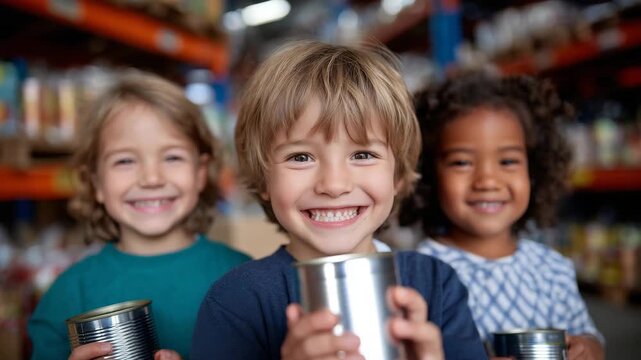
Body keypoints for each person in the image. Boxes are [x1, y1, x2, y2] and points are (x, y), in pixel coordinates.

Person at [191, 40, 487, 359]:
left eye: (362, 154)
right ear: (264, 179)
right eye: (301, 157)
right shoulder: (237, 301)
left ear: (398, 175)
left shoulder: (436, 287)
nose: (334, 185)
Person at [28, 70, 251, 360]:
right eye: (125, 161)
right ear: (96, 182)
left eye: (172, 157)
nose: (151, 178)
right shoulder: (67, 293)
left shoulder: (244, 279)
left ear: (199, 173)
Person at [398, 71, 605, 359]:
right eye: (461, 162)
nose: (487, 180)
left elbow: (589, 334)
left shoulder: (553, 269)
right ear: (428, 175)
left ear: (534, 171)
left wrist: (588, 348)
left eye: (508, 161)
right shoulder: (421, 274)